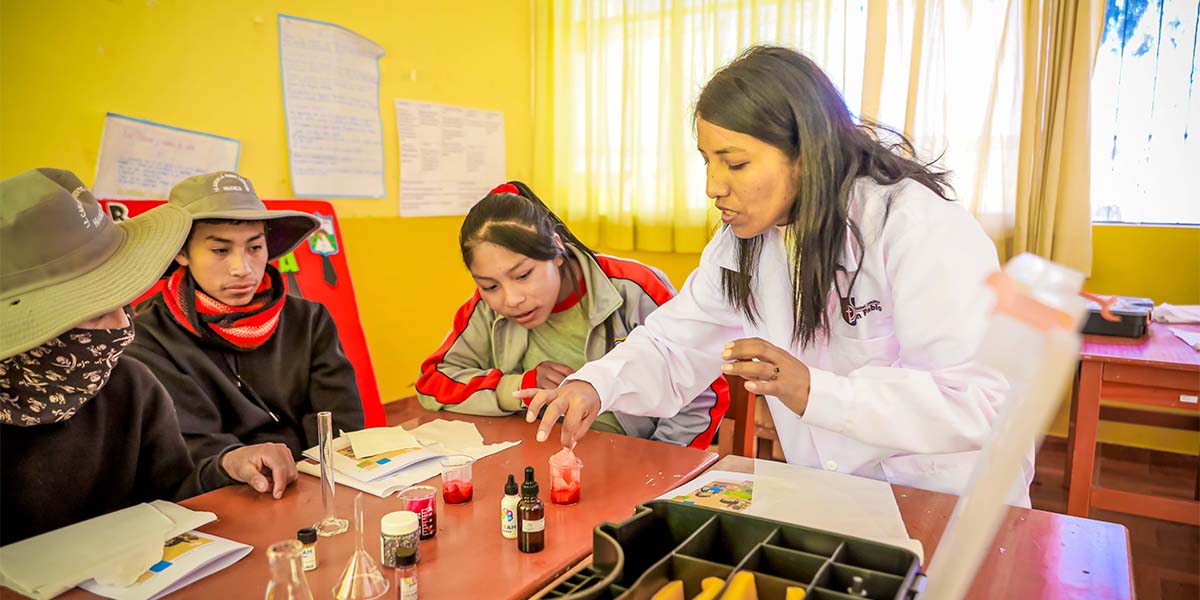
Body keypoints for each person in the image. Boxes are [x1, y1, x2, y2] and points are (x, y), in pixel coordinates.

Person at [521, 46, 1029, 505]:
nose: (712, 186)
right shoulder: (744, 243)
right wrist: (595, 385)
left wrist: (812, 390)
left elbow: (977, 401)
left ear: (806, 154)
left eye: (735, 164)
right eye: (707, 161)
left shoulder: (914, 226)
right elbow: (674, 343)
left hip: (948, 500)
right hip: (840, 494)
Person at [0, 169, 297, 544]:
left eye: (124, 303)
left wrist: (225, 465)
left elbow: (172, 496)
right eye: (96, 312)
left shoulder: (131, 386)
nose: (123, 325)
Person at [417, 181, 729, 449]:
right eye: (489, 285)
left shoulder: (633, 289)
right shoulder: (486, 308)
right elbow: (432, 383)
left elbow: (703, 394)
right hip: (533, 456)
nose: (511, 299)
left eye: (523, 275)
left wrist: (659, 463)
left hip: (636, 459)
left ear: (556, 249)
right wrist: (519, 387)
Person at [126, 171, 364, 464]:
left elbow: (340, 423)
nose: (243, 269)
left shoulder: (309, 320)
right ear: (181, 252)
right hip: (221, 485)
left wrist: (318, 473)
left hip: (314, 476)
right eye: (220, 250)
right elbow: (194, 446)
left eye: (254, 247)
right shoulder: (149, 338)